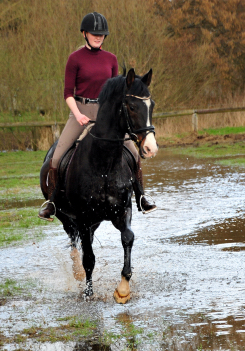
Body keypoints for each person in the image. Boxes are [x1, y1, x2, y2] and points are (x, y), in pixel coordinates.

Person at [39, 11, 157, 220]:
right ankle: (51, 202)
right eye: (94, 33)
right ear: (84, 33)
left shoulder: (111, 59)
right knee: (56, 157)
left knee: (134, 153)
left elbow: (116, 92)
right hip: (80, 112)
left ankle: (141, 197)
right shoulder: (74, 59)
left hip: (106, 116)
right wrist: (78, 115)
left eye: (101, 34)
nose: (98, 36)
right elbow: (68, 93)